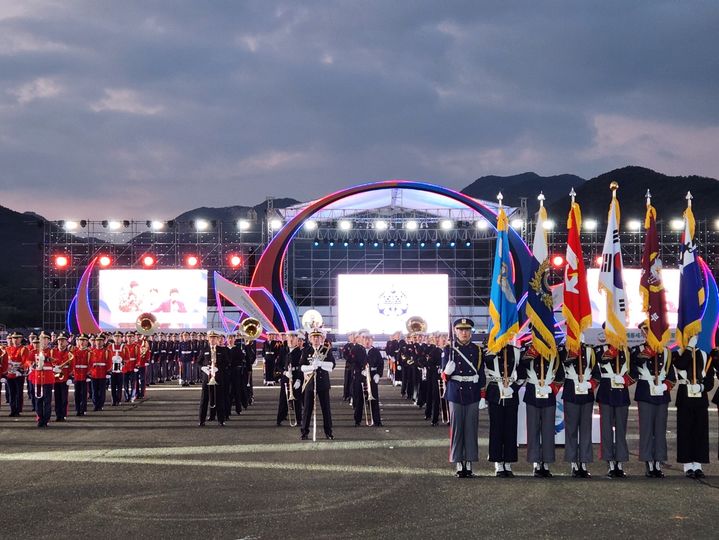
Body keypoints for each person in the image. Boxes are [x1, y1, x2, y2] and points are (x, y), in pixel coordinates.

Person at [441, 318, 485, 478]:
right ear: (455, 331)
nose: (464, 333)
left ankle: (470, 461)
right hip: (455, 392)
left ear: (471, 332)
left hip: (472, 392)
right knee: (457, 428)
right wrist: (447, 371)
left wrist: (482, 395)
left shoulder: (478, 350)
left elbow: (481, 374)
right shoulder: (448, 349)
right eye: (461, 330)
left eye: (467, 330)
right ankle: (459, 462)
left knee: (471, 428)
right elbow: (443, 375)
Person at [673, 336, 715, 478]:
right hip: (685, 396)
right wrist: (689, 349)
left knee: (700, 431)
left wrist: (702, 386)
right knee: (685, 431)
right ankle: (687, 465)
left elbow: (710, 381)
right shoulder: (678, 354)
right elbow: (682, 365)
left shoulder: (705, 355)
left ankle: (698, 464)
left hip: (700, 397)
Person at [484, 340, 525, 477]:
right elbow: (486, 362)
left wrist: (513, 389)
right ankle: (498, 462)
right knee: (496, 428)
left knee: (510, 428)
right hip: (495, 393)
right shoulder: (489, 351)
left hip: (511, 394)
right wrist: (495, 349)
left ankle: (508, 461)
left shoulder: (516, 352)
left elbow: (522, 375)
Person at [522, 343, 563, 478]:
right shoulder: (527, 349)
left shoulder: (553, 351)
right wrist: (530, 354)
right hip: (533, 393)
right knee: (533, 429)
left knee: (548, 430)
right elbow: (521, 369)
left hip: (548, 393)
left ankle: (546, 462)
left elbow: (560, 374)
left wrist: (552, 388)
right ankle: (535, 462)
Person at [594, 342, 634, 478]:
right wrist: (613, 349)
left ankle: (620, 461)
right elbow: (601, 359)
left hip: (622, 393)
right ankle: (610, 461)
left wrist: (624, 379)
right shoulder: (600, 349)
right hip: (606, 394)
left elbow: (634, 371)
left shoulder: (627, 350)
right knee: (606, 429)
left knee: (621, 429)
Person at [560, 342, 597, 478]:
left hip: (586, 393)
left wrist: (589, 384)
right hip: (571, 394)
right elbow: (561, 365)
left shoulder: (589, 350)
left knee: (586, 430)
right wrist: (571, 352)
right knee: (572, 430)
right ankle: (573, 462)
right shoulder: (564, 349)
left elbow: (596, 374)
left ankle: (584, 462)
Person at [299, 329, 335, 440]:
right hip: (310, 383)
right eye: (313, 337)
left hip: (323, 383)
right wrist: (311, 367)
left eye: (318, 337)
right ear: (310, 339)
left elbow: (332, 366)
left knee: (326, 409)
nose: (316, 339)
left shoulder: (326, 350)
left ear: (322, 339)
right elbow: (302, 367)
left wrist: (320, 364)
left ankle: (328, 432)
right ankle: (304, 432)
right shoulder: (306, 350)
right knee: (307, 409)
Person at [197, 330, 230, 426]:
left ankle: (221, 419)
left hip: (218, 378)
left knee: (219, 398)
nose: (212, 339)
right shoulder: (204, 350)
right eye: (211, 338)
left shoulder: (222, 350)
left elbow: (227, 363)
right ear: (208, 339)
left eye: (214, 338)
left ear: (217, 339)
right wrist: (204, 368)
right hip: (207, 378)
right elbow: (198, 362)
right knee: (204, 399)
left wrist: (217, 368)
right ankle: (201, 420)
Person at [29, 333, 55, 428]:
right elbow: (28, 361)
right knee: (38, 400)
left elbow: (56, 361)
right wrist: (32, 364)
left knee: (47, 401)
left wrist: (47, 359)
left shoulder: (52, 351)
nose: (43, 341)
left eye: (45, 339)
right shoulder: (33, 351)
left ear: (48, 340)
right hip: (37, 379)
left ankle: (46, 419)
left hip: (47, 379)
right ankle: (40, 418)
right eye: (41, 339)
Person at [51, 333, 73, 422]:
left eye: (63, 340)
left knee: (64, 398)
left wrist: (70, 377)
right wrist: (53, 369)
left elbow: (72, 366)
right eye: (59, 340)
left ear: (67, 342)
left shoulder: (69, 353)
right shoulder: (53, 352)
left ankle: (63, 414)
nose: (61, 342)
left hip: (65, 377)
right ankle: (57, 414)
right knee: (57, 398)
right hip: (55, 377)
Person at [364, 332, 384, 426]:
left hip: (372, 375)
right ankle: (358, 420)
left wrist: (378, 375)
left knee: (374, 398)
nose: (367, 341)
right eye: (366, 339)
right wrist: (361, 371)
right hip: (362, 376)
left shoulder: (376, 351)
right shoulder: (360, 350)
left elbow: (381, 364)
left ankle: (377, 421)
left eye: (369, 340)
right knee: (360, 399)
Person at [89, 334, 111, 412]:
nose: (98, 342)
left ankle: (100, 405)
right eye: (97, 341)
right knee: (94, 390)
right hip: (94, 373)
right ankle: (95, 404)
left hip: (102, 373)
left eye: (100, 341)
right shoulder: (91, 351)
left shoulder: (106, 351)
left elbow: (109, 362)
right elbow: (89, 362)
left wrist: (108, 371)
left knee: (102, 391)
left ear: (103, 342)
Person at [70, 335, 91, 415]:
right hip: (76, 375)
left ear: (87, 342)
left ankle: (83, 409)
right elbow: (71, 363)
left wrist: (89, 373)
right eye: (80, 340)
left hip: (84, 375)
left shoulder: (89, 352)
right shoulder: (74, 352)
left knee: (84, 393)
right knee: (77, 393)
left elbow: (91, 364)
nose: (81, 342)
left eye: (84, 340)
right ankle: (78, 409)